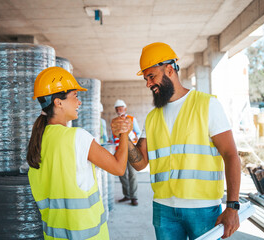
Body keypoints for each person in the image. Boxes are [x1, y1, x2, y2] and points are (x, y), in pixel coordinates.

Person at [111, 42, 241, 239]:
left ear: (169, 69)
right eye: (146, 78)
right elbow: (140, 163)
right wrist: (125, 136)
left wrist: (232, 206)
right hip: (164, 210)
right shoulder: (153, 117)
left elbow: (231, 155)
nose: (148, 83)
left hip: (203, 209)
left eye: (151, 76)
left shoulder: (207, 105)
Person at [27, 66, 132, 240]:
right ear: (58, 102)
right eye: (75, 96)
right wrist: (124, 132)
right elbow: (119, 168)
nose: (79, 102)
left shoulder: (37, 142)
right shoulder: (77, 137)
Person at [112, 99, 141, 206]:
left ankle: (134, 197)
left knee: (132, 174)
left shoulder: (132, 119)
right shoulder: (115, 121)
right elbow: (114, 136)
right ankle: (127, 195)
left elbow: (138, 133)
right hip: (119, 151)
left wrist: (133, 137)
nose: (119, 110)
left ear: (125, 109)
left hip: (131, 151)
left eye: (121, 108)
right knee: (122, 173)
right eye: (117, 109)